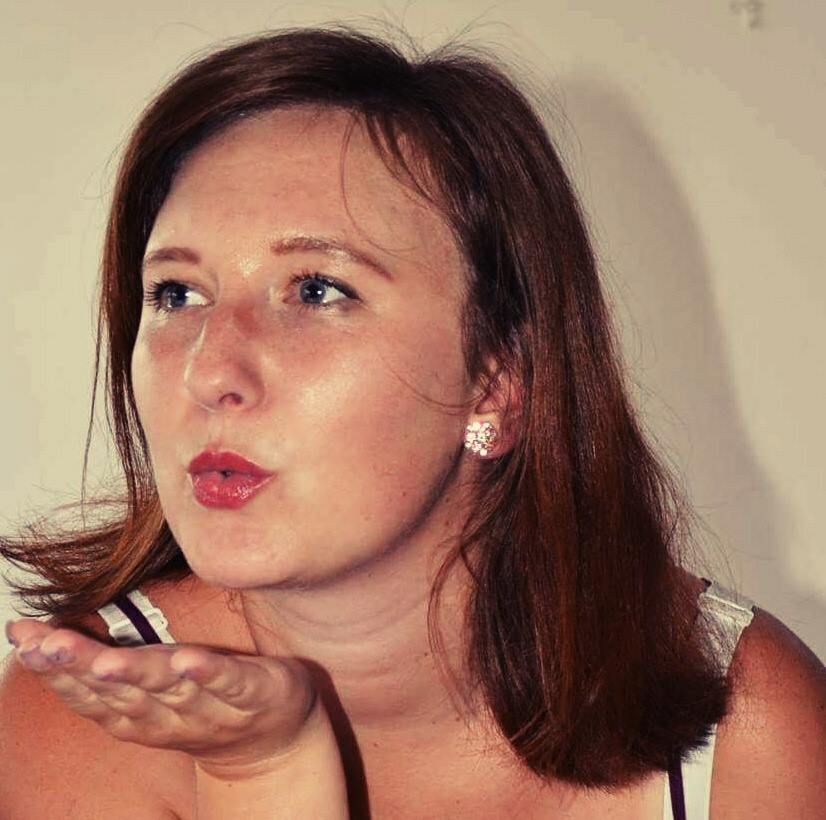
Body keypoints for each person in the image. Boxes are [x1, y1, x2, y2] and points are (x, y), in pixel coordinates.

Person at [1, 25, 824, 820]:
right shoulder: (84, 718)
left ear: (497, 382)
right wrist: (263, 773)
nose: (209, 370)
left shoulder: (749, 726)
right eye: (177, 294)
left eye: (316, 290)